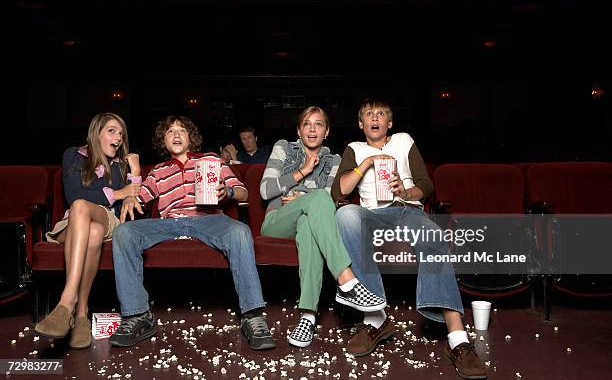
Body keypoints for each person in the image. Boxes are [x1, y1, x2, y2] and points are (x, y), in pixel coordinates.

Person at [331, 99, 486, 379]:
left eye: (381, 114)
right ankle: (375, 316)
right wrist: (365, 163)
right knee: (345, 215)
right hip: (370, 214)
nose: (375, 118)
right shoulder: (354, 149)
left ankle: (458, 338)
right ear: (360, 123)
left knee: (433, 235)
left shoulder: (403, 141)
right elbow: (338, 193)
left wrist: (406, 190)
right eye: (368, 114)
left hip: (405, 210)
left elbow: (426, 186)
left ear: (389, 123)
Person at [109, 116, 276, 350]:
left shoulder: (211, 160)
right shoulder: (158, 170)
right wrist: (130, 196)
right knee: (124, 233)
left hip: (209, 219)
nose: (176, 135)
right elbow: (141, 197)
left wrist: (226, 191)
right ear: (163, 141)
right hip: (170, 223)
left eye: (182, 131)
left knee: (240, 231)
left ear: (191, 138)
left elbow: (243, 193)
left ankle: (253, 316)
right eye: (170, 132)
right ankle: (138, 316)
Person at [260, 106, 386, 348]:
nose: (312, 129)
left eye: (318, 124)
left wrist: (301, 196)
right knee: (317, 200)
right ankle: (347, 281)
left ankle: (307, 315)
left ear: (326, 131)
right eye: (307, 124)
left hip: (307, 220)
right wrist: (302, 172)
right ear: (299, 129)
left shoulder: (334, 160)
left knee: (310, 222)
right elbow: (266, 190)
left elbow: (329, 199)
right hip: (277, 221)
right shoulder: (284, 147)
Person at [35, 113, 141, 349]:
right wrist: (119, 193)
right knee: (89, 227)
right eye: (112, 131)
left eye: (121, 134)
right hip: (73, 222)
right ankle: (81, 313)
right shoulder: (73, 155)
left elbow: (136, 198)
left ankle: (66, 303)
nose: (118, 138)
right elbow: (74, 195)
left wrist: (135, 170)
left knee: (84, 210)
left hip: (108, 218)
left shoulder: (121, 166)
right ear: (96, 132)